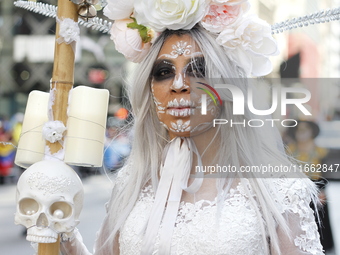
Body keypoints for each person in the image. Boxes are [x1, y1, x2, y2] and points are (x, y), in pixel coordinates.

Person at [58, 1, 324, 254]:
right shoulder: (134, 183)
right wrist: (63, 235)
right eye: (163, 72)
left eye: (198, 69)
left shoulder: (277, 191)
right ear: (149, 89)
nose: (178, 84)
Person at [287, 120, 334, 253]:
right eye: (298, 130)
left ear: (312, 132)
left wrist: (322, 190)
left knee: (320, 220)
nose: (301, 134)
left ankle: (324, 247)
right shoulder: (290, 150)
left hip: (317, 189)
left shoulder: (320, 151)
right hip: (295, 189)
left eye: (304, 130)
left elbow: (326, 172)